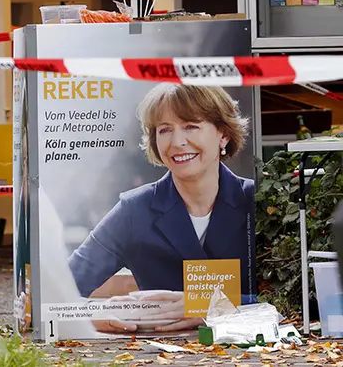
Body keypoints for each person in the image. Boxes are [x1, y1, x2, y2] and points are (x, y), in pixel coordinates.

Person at [67, 84, 256, 334]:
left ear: (223, 134)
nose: (177, 142)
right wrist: (93, 313)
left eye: (191, 126)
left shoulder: (258, 202)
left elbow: (300, 303)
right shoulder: (134, 210)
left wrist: (215, 307)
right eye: (165, 130)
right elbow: (59, 291)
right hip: (152, 356)